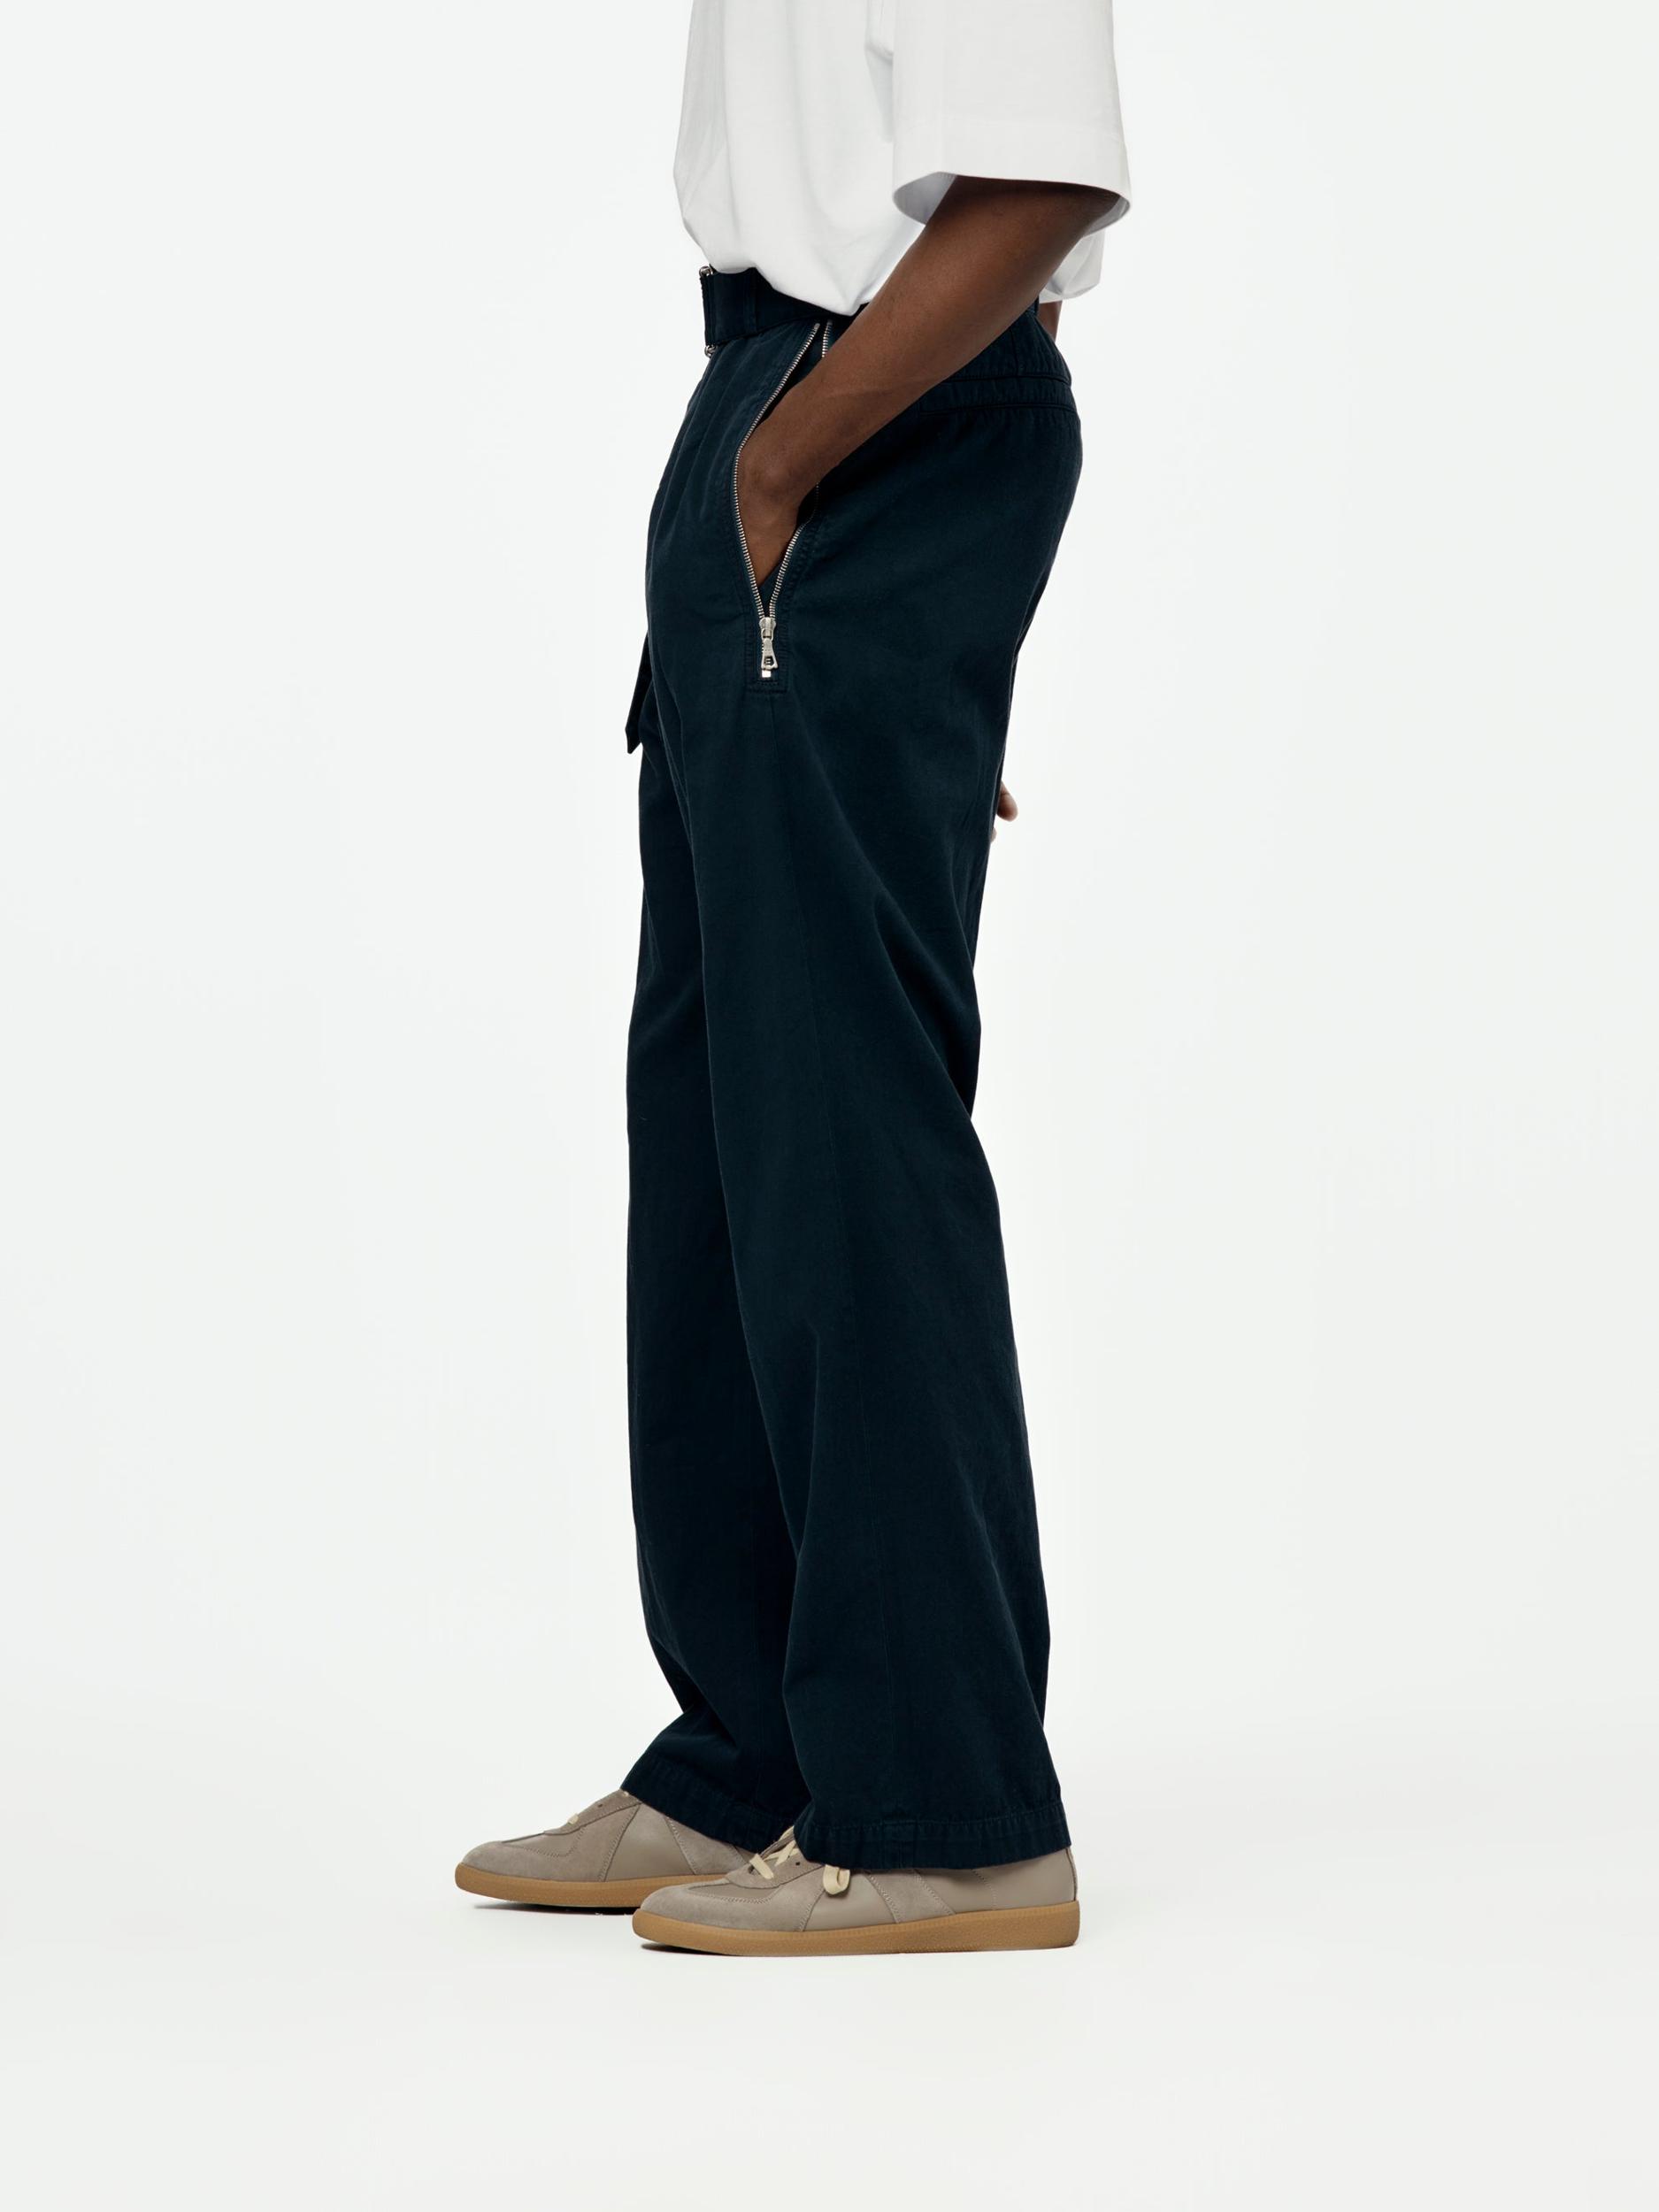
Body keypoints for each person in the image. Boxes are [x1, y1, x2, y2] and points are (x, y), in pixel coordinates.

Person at [457, 0, 1130, 1956]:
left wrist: (795, 478)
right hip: (788, 415)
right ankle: (757, 1750)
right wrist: (784, 492)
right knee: (713, 1130)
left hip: (849, 423)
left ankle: (943, 1802)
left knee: (841, 1127)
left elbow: (1036, 180)